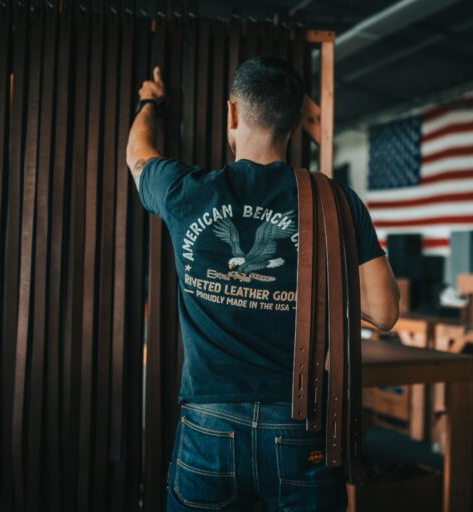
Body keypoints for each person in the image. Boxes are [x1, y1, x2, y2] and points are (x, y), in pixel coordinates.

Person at [126, 57, 399, 512]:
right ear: (293, 124)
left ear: (232, 113)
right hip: (299, 424)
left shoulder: (185, 191)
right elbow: (385, 312)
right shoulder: (336, 201)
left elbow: (138, 156)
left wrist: (149, 103)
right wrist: (312, 281)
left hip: (209, 423)